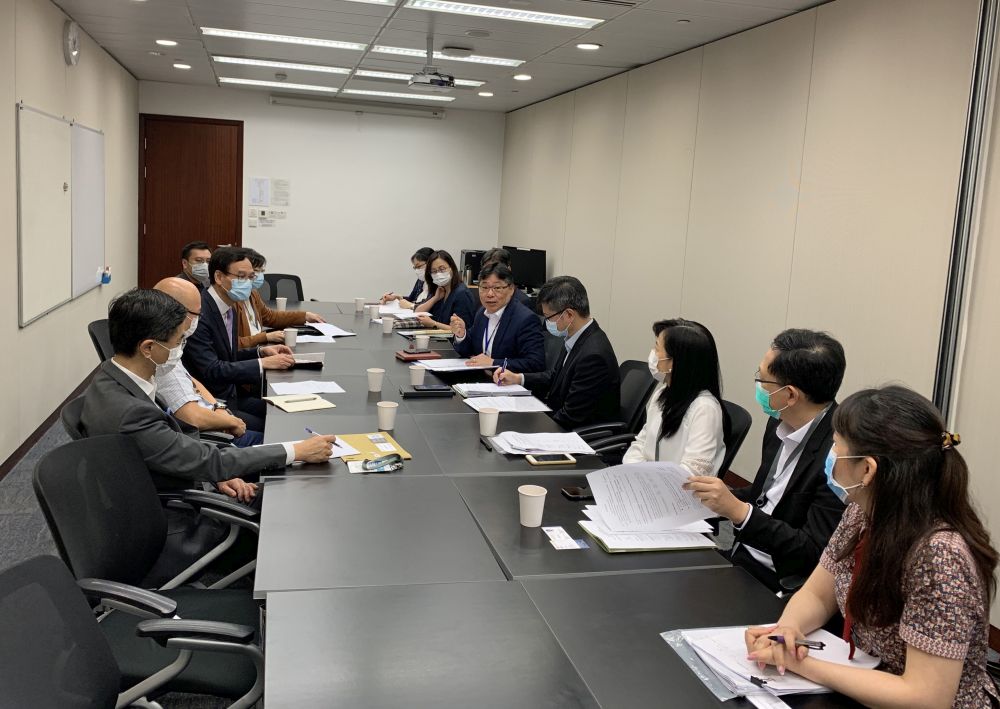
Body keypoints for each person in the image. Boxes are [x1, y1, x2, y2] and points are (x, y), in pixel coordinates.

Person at [745, 385, 999, 709]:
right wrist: (786, 632)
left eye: (835, 447)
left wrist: (801, 664)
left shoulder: (940, 557)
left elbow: (927, 697)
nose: (830, 457)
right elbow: (817, 594)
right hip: (870, 682)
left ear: (867, 469)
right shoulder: (862, 511)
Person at [80, 288, 337, 498]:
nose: (182, 349)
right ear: (148, 347)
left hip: (180, 473)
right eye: (179, 341)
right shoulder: (131, 413)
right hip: (173, 508)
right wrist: (296, 451)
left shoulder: (114, 376)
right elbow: (200, 458)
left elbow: (174, 446)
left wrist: (216, 473)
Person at [684, 329, 847, 592]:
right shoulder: (779, 421)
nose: (758, 384)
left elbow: (813, 551)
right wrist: (720, 497)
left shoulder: (839, 455)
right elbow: (766, 494)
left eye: (763, 379)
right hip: (742, 554)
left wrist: (739, 512)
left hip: (779, 581)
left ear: (790, 395)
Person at [182, 247, 295, 432]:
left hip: (232, 394)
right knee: (273, 429)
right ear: (219, 277)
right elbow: (212, 369)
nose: (248, 283)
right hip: (213, 402)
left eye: (251, 277)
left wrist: (260, 351)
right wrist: (261, 363)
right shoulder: (200, 312)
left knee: (283, 414)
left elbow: (228, 356)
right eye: (241, 277)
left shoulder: (230, 307)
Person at [494, 276, 620, 429]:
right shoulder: (576, 336)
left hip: (577, 435)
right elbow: (555, 377)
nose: (547, 323)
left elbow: (570, 416)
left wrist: (529, 422)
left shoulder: (593, 356)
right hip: (560, 419)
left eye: (548, 317)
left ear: (568, 315)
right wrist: (517, 378)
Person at [153, 277, 263, 446]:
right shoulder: (159, 352)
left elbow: (190, 379)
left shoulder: (174, 341)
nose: (199, 318)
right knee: (272, 437)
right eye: (196, 314)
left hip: (215, 411)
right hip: (206, 436)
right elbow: (192, 418)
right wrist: (229, 421)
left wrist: (219, 408)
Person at [622, 319, 726, 475]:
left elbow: (691, 474)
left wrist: (647, 480)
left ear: (674, 362)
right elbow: (641, 444)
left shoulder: (705, 409)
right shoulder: (663, 393)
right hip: (647, 485)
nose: (653, 354)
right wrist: (635, 474)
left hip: (678, 495)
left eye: (657, 348)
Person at [451, 262, 545, 372]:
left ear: (511, 289)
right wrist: (461, 335)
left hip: (507, 384)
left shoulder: (526, 320)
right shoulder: (482, 312)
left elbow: (535, 363)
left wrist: (493, 363)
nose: (490, 294)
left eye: (497, 287)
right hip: (480, 379)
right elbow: (469, 350)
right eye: (484, 287)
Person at [237, 248, 325, 348]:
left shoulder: (253, 293)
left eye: (262, 271)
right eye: (257, 271)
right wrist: (264, 337)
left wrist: (305, 316)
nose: (260, 275)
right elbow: (233, 344)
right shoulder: (234, 299)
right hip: (248, 354)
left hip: (259, 348)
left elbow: (270, 317)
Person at [414, 249, 477, 330]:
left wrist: (434, 324)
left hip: (451, 342)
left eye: (442, 269)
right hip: (436, 339)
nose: (438, 274)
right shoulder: (439, 289)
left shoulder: (462, 294)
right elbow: (418, 312)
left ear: (451, 268)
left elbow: (462, 331)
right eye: (434, 271)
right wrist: (435, 299)